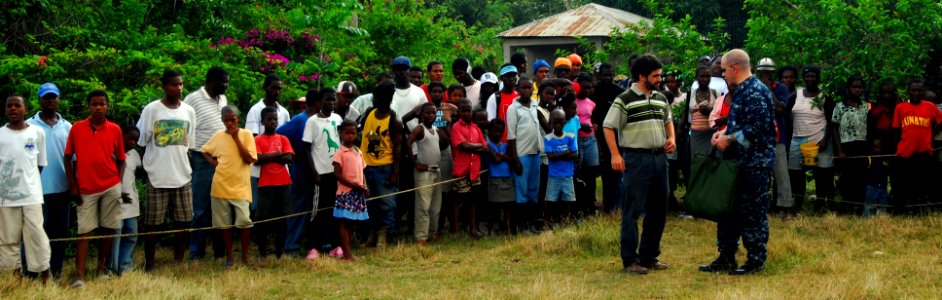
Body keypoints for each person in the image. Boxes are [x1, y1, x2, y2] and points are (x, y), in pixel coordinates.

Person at [704, 49, 777, 275]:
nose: (723, 74)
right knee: (728, 211)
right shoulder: (741, 90)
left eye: (724, 70)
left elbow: (758, 128)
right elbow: (740, 123)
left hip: (753, 165)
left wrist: (731, 138)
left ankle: (755, 260)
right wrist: (723, 132)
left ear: (734, 68)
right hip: (735, 163)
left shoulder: (754, 91)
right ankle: (726, 256)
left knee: (752, 212)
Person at [602, 54, 674, 275]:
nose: (660, 78)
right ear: (642, 76)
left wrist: (671, 138)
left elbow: (668, 121)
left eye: (660, 75)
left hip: (659, 159)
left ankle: (650, 256)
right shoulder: (625, 99)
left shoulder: (661, 97)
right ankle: (630, 260)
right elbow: (608, 126)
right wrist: (615, 155)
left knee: (658, 210)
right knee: (632, 211)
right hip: (636, 159)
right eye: (655, 75)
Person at [64, 90, 126, 286]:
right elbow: (67, 157)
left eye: (102, 104)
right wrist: (73, 184)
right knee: (84, 231)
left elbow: (122, 160)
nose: (98, 107)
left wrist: (119, 183)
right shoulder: (77, 128)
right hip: (86, 188)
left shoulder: (115, 129)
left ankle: (101, 271)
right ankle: (79, 276)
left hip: (110, 185)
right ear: (88, 106)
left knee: (108, 229)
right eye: (94, 104)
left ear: (107, 106)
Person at [137, 69, 196, 271]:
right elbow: (142, 141)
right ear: (164, 86)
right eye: (173, 84)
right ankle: (150, 265)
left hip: (182, 175)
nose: (178, 88)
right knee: (153, 225)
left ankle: (178, 262)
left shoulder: (188, 111)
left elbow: (190, 143)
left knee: (183, 222)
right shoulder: (151, 110)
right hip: (157, 176)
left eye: (180, 84)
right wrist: (148, 168)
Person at [0, 94, 51, 283]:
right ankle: (15, 278)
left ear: (25, 109)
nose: (13, 109)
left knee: (37, 235)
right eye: (9, 106)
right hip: (5, 197)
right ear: (5, 110)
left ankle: (45, 276)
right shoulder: (0, 134)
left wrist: (28, 183)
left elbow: (40, 164)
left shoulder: (37, 133)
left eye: (17, 105)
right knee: (8, 237)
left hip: (32, 194)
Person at [201, 105, 258, 267]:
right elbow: (204, 150)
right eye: (226, 121)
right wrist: (213, 163)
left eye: (232, 120)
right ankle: (230, 257)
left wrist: (235, 138)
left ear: (238, 119)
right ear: (222, 121)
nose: (229, 124)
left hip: (241, 188)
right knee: (224, 225)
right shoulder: (218, 136)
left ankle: (245, 257)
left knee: (244, 222)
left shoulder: (246, 135)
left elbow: (249, 159)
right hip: (220, 186)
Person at [25, 83, 71, 279]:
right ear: (40, 100)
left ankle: (56, 271)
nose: (50, 101)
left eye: (53, 97)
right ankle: (32, 272)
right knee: (35, 234)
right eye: (46, 97)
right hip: (36, 191)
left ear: (59, 99)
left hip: (62, 190)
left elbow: (73, 160)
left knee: (59, 233)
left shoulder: (68, 127)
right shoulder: (29, 126)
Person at [184, 66, 230, 260]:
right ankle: (196, 252)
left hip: (223, 159)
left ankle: (219, 251)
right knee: (201, 207)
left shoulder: (223, 99)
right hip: (201, 159)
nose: (226, 86)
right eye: (223, 82)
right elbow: (185, 128)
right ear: (211, 81)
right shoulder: (193, 99)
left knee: (221, 206)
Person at [276, 86, 320, 257]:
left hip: (314, 169)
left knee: (310, 209)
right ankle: (291, 246)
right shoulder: (301, 120)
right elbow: (278, 134)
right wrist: (290, 152)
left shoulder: (315, 120)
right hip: (302, 168)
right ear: (316, 104)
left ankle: (305, 243)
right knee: (299, 208)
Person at [786, 66, 835, 213]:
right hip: (797, 139)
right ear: (803, 78)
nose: (810, 79)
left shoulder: (824, 97)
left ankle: (820, 204)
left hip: (819, 138)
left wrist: (825, 139)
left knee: (822, 174)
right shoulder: (797, 94)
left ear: (818, 78)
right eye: (807, 76)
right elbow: (785, 109)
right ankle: (798, 203)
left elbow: (831, 121)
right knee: (795, 173)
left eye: (813, 76)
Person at [359, 81, 402, 248]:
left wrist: (395, 172)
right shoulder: (369, 113)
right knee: (370, 203)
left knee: (387, 203)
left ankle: (384, 235)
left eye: (376, 98)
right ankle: (371, 234)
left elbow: (398, 148)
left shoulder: (394, 120)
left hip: (385, 167)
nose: (373, 101)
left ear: (386, 99)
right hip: (366, 166)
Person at [302, 88, 344, 255]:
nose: (331, 103)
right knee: (319, 212)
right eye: (328, 99)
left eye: (333, 100)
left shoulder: (337, 119)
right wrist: (315, 173)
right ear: (320, 102)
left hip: (336, 173)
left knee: (335, 210)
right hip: (321, 174)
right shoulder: (312, 121)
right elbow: (306, 149)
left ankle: (335, 245)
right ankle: (314, 247)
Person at [892, 79, 942, 212]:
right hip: (906, 151)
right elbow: (896, 129)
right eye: (913, 90)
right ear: (908, 91)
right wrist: (898, 146)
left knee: (923, 181)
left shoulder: (930, 106)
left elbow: (940, 120)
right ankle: (907, 208)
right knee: (908, 181)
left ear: (923, 91)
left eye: (919, 90)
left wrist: (932, 134)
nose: (916, 93)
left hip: (924, 150)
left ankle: (922, 207)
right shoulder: (900, 107)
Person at [244, 74, 290, 213]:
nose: (277, 92)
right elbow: (254, 144)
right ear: (265, 88)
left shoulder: (284, 112)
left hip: (280, 172)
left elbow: (285, 145)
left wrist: (273, 156)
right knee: (258, 209)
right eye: (273, 88)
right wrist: (277, 155)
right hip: (260, 172)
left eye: (279, 89)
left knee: (279, 210)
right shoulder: (255, 110)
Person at [254, 107, 294, 258]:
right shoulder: (257, 139)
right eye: (269, 119)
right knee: (262, 218)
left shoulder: (283, 139)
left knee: (282, 218)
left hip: (283, 183)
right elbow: (257, 159)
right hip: (265, 184)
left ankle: (280, 249)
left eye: (275, 119)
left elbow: (289, 158)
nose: (272, 122)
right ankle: (262, 251)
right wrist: (278, 154)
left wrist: (268, 157)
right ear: (263, 121)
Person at [756, 58, 794, 218]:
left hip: (777, 137)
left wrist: (767, 90)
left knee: (781, 174)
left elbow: (780, 108)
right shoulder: (752, 86)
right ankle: (761, 205)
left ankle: (785, 206)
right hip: (758, 138)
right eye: (763, 72)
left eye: (768, 72)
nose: (766, 75)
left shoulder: (781, 88)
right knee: (759, 174)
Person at [507, 77, 544, 232]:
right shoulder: (513, 109)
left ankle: (532, 222)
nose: (527, 90)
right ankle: (520, 225)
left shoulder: (534, 104)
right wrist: (515, 159)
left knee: (533, 189)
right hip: (521, 154)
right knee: (521, 190)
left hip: (536, 153)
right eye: (524, 87)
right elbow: (511, 135)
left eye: (530, 88)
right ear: (518, 88)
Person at [450, 99, 489, 238]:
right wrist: (477, 145)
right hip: (461, 171)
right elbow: (463, 146)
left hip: (474, 172)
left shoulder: (476, 128)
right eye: (464, 110)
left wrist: (474, 145)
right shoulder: (456, 127)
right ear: (458, 112)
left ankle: (473, 229)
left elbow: (485, 147)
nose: (467, 113)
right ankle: (455, 230)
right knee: (457, 200)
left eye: (469, 110)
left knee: (472, 200)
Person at [108, 125, 143, 277]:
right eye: (130, 138)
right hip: (115, 201)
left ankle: (125, 267)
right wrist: (118, 193)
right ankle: (112, 268)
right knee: (115, 236)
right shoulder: (111, 152)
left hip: (131, 202)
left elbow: (138, 172)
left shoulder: (134, 154)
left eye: (136, 140)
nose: (133, 142)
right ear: (121, 136)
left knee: (131, 235)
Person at [407, 103, 444, 244]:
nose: (430, 116)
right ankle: (421, 236)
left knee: (435, 206)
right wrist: (415, 163)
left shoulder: (435, 129)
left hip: (436, 171)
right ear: (421, 115)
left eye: (433, 113)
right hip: (424, 172)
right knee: (423, 206)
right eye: (427, 113)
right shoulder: (419, 129)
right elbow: (408, 142)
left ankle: (432, 233)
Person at [592, 63, 626, 213]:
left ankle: (617, 205)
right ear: (599, 75)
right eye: (604, 75)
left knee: (618, 170)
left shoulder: (620, 92)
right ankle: (607, 205)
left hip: (617, 135)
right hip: (599, 136)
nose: (607, 78)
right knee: (605, 172)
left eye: (610, 75)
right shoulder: (594, 91)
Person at [332, 120, 368, 261]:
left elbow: (362, 171)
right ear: (341, 133)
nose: (350, 136)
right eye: (347, 133)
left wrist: (365, 186)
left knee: (352, 223)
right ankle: (347, 253)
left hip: (357, 192)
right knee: (345, 222)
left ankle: (348, 251)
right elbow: (337, 174)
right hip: (346, 193)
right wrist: (353, 185)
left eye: (353, 133)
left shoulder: (357, 151)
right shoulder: (340, 152)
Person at [832, 76, 870, 209]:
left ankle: (859, 206)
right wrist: (840, 150)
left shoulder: (866, 106)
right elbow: (834, 128)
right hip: (846, 146)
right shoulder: (840, 106)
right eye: (854, 87)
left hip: (862, 145)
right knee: (847, 178)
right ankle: (846, 206)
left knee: (861, 177)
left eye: (860, 87)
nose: (857, 90)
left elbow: (869, 127)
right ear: (848, 88)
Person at [544, 109, 578, 223]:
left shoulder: (570, 136)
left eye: (561, 122)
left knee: (568, 200)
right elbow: (550, 157)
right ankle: (548, 224)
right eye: (555, 122)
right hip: (554, 176)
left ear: (565, 122)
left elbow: (575, 154)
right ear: (551, 123)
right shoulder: (548, 138)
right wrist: (566, 152)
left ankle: (565, 222)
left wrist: (558, 155)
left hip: (568, 175)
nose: (558, 125)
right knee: (550, 200)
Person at [574, 74, 599, 215]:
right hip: (577, 140)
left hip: (590, 140)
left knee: (591, 173)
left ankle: (591, 204)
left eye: (590, 88)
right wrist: (580, 126)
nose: (587, 90)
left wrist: (594, 126)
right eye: (585, 87)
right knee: (579, 173)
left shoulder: (591, 103)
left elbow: (593, 120)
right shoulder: (572, 101)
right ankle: (580, 205)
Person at [485, 118, 514, 233]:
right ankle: (492, 228)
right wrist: (503, 157)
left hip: (508, 178)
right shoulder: (488, 145)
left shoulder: (506, 145)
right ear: (490, 131)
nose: (498, 134)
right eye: (495, 131)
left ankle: (506, 227)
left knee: (508, 205)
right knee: (494, 206)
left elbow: (511, 159)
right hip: (494, 179)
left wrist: (504, 156)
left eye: (500, 131)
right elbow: (496, 160)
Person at [487, 65, 519, 142]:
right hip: (502, 144)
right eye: (507, 76)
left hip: (519, 143)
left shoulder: (519, 97)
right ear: (501, 78)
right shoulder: (494, 98)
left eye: (513, 75)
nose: (511, 78)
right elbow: (490, 122)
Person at [863, 138, 889, 216]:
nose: (875, 149)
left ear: (882, 148)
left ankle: (882, 220)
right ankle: (868, 220)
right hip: (871, 188)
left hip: (883, 188)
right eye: (874, 147)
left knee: (883, 207)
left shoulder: (885, 159)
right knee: (869, 208)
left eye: (878, 147)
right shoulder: (869, 159)